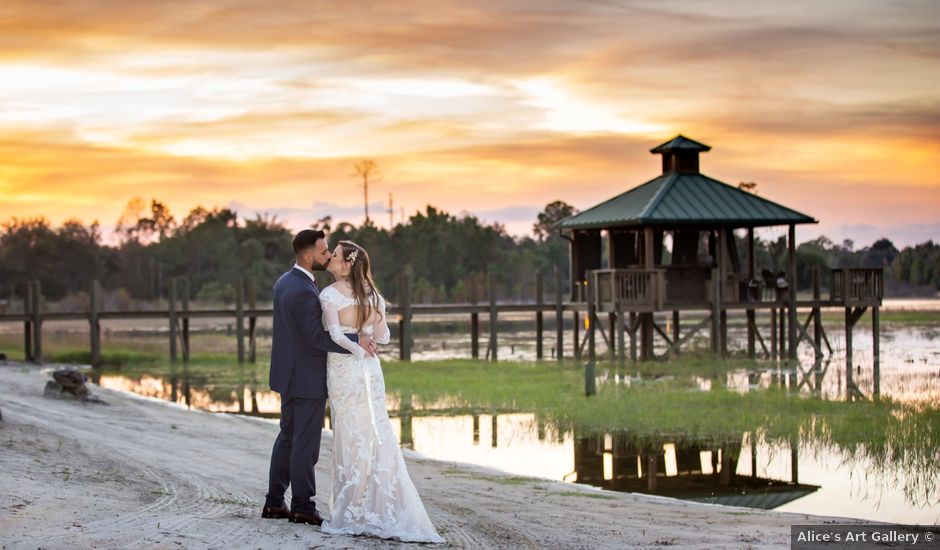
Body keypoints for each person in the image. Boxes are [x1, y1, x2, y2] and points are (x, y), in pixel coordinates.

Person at [318, 240, 445, 543]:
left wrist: (357, 347)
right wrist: (366, 337)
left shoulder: (329, 295)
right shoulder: (373, 294)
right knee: (374, 433)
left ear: (347, 264)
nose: (330, 261)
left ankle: (353, 508)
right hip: (372, 370)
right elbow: (384, 336)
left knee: (351, 434)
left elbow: (334, 334)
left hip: (345, 369)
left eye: (334, 257)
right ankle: (376, 505)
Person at [262, 229, 377, 526]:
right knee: (305, 443)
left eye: (329, 252)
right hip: (306, 377)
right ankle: (302, 505)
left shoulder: (284, 282)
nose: (327, 257)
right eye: (324, 252)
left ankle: (274, 502)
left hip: (287, 374)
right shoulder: (302, 289)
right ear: (308, 254)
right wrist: (356, 341)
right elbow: (316, 337)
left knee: (288, 437)